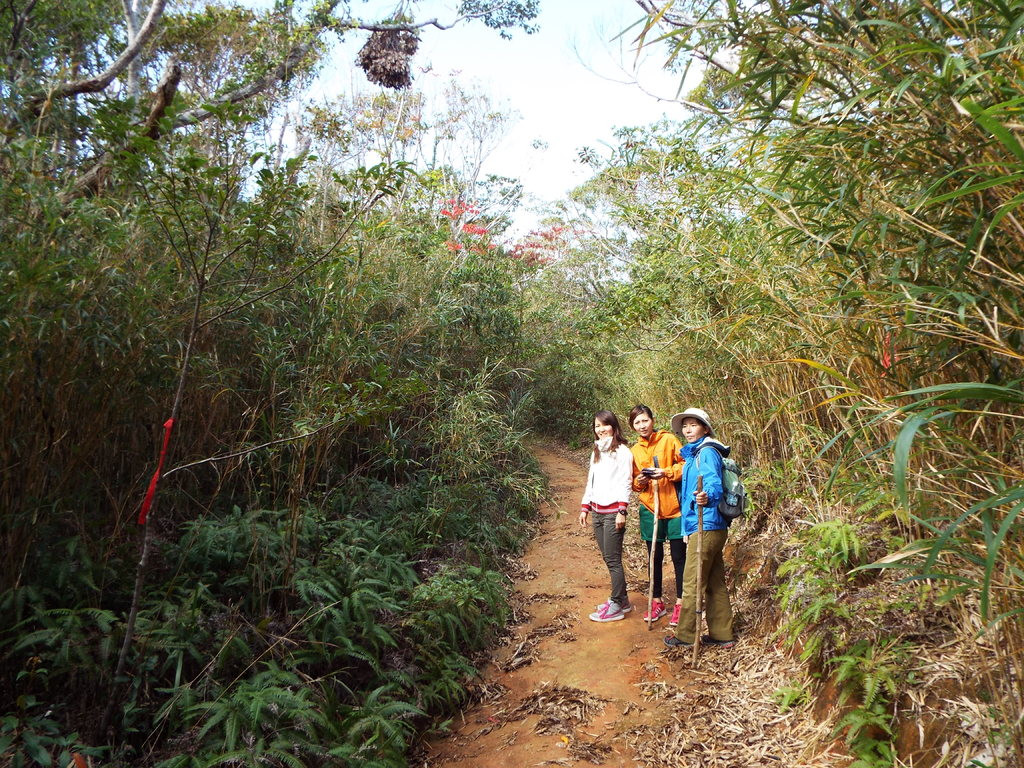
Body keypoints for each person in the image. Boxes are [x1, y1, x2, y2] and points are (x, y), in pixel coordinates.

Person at [664, 408, 736, 649]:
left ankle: (685, 636)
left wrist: (708, 497)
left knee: (693, 580)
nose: (688, 429)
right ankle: (722, 633)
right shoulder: (695, 454)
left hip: (707, 524)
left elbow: (713, 482)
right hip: (709, 525)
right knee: (715, 582)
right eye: (685, 426)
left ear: (705, 428)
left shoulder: (705, 453)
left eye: (694, 425)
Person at [628, 404, 685, 625]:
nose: (642, 425)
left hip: (674, 508)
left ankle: (680, 604)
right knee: (654, 556)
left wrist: (667, 472)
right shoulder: (634, 451)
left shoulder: (669, 440)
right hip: (650, 509)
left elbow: (685, 465)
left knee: (679, 557)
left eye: (645, 420)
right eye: (637, 423)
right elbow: (634, 482)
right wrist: (639, 482)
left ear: (652, 420)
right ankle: (657, 601)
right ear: (632, 427)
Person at [579, 410, 635, 622]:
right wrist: (585, 507)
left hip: (613, 513)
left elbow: (626, 482)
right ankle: (623, 600)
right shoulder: (596, 451)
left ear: (613, 426)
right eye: (597, 426)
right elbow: (591, 481)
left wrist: (622, 510)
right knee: (607, 557)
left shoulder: (622, 452)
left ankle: (615, 604)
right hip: (598, 512)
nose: (601, 430)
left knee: (613, 559)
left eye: (604, 425)